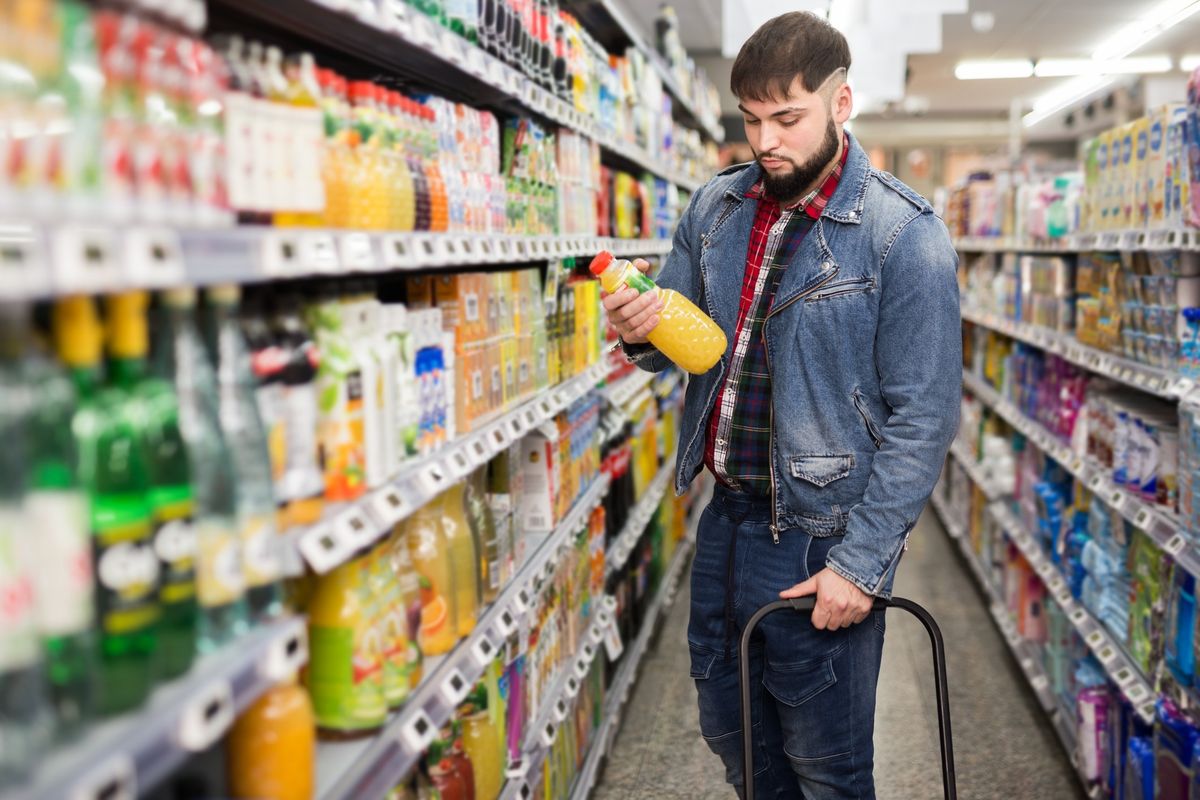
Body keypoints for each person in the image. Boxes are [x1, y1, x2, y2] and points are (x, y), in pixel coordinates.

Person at [603, 11, 961, 800]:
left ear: (841, 104)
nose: (766, 141)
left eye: (788, 118)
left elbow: (925, 417)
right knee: (735, 738)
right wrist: (637, 325)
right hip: (725, 521)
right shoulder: (716, 209)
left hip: (819, 541)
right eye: (752, 119)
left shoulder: (905, 236)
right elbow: (679, 332)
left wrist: (861, 567)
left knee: (825, 767)